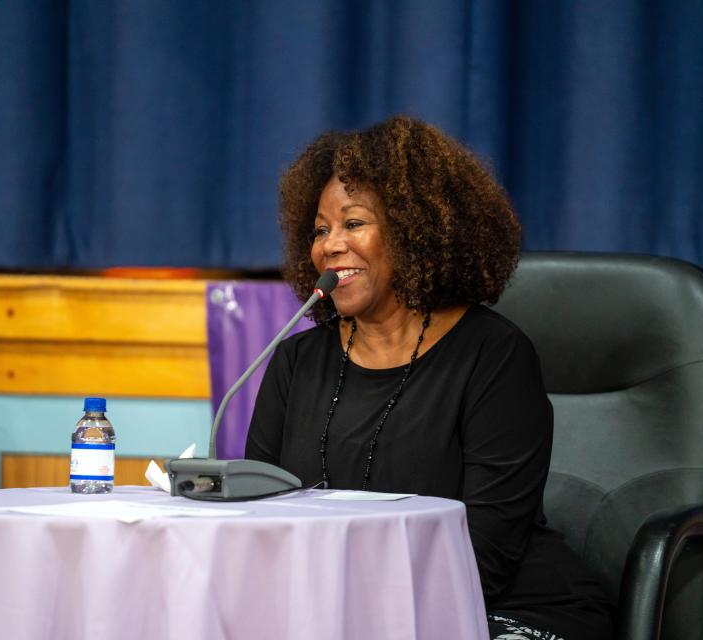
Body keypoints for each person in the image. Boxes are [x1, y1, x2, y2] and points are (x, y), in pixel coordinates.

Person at [246, 115, 614, 640]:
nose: (330, 246)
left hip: (504, 607)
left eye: (353, 224)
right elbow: (258, 524)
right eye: (320, 230)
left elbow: (485, 552)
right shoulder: (295, 363)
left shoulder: (494, 356)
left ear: (415, 231)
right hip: (337, 615)